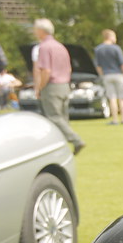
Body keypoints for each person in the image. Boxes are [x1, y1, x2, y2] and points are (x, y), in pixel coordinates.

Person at [33, 18, 85, 154]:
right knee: (63, 118)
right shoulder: (60, 46)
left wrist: (39, 87)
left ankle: (76, 140)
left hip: (52, 86)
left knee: (54, 117)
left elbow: (46, 71)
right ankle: (63, 148)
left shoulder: (44, 47)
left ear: (40, 31)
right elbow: (68, 68)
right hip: (65, 85)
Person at [94, 29, 123, 125]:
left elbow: (98, 66)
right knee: (121, 98)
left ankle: (114, 120)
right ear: (110, 37)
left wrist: (102, 75)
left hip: (107, 75)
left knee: (112, 98)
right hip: (118, 75)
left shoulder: (98, 49)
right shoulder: (116, 49)